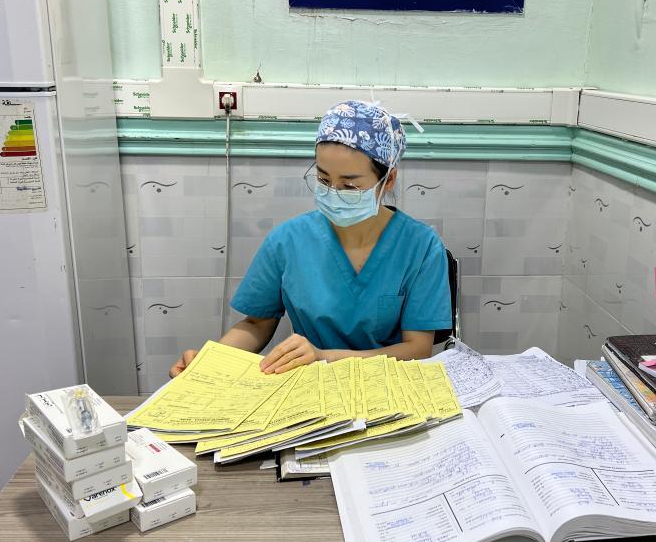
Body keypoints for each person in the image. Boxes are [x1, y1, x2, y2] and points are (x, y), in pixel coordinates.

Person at [169, 100, 452, 377]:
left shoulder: (421, 247)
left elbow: (417, 349)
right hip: (308, 387)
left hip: (388, 385)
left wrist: (324, 357)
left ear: (388, 180)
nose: (333, 192)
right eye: (323, 180)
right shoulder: (288, 241)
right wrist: (210, 362)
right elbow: (256, 324)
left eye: (350, 185)